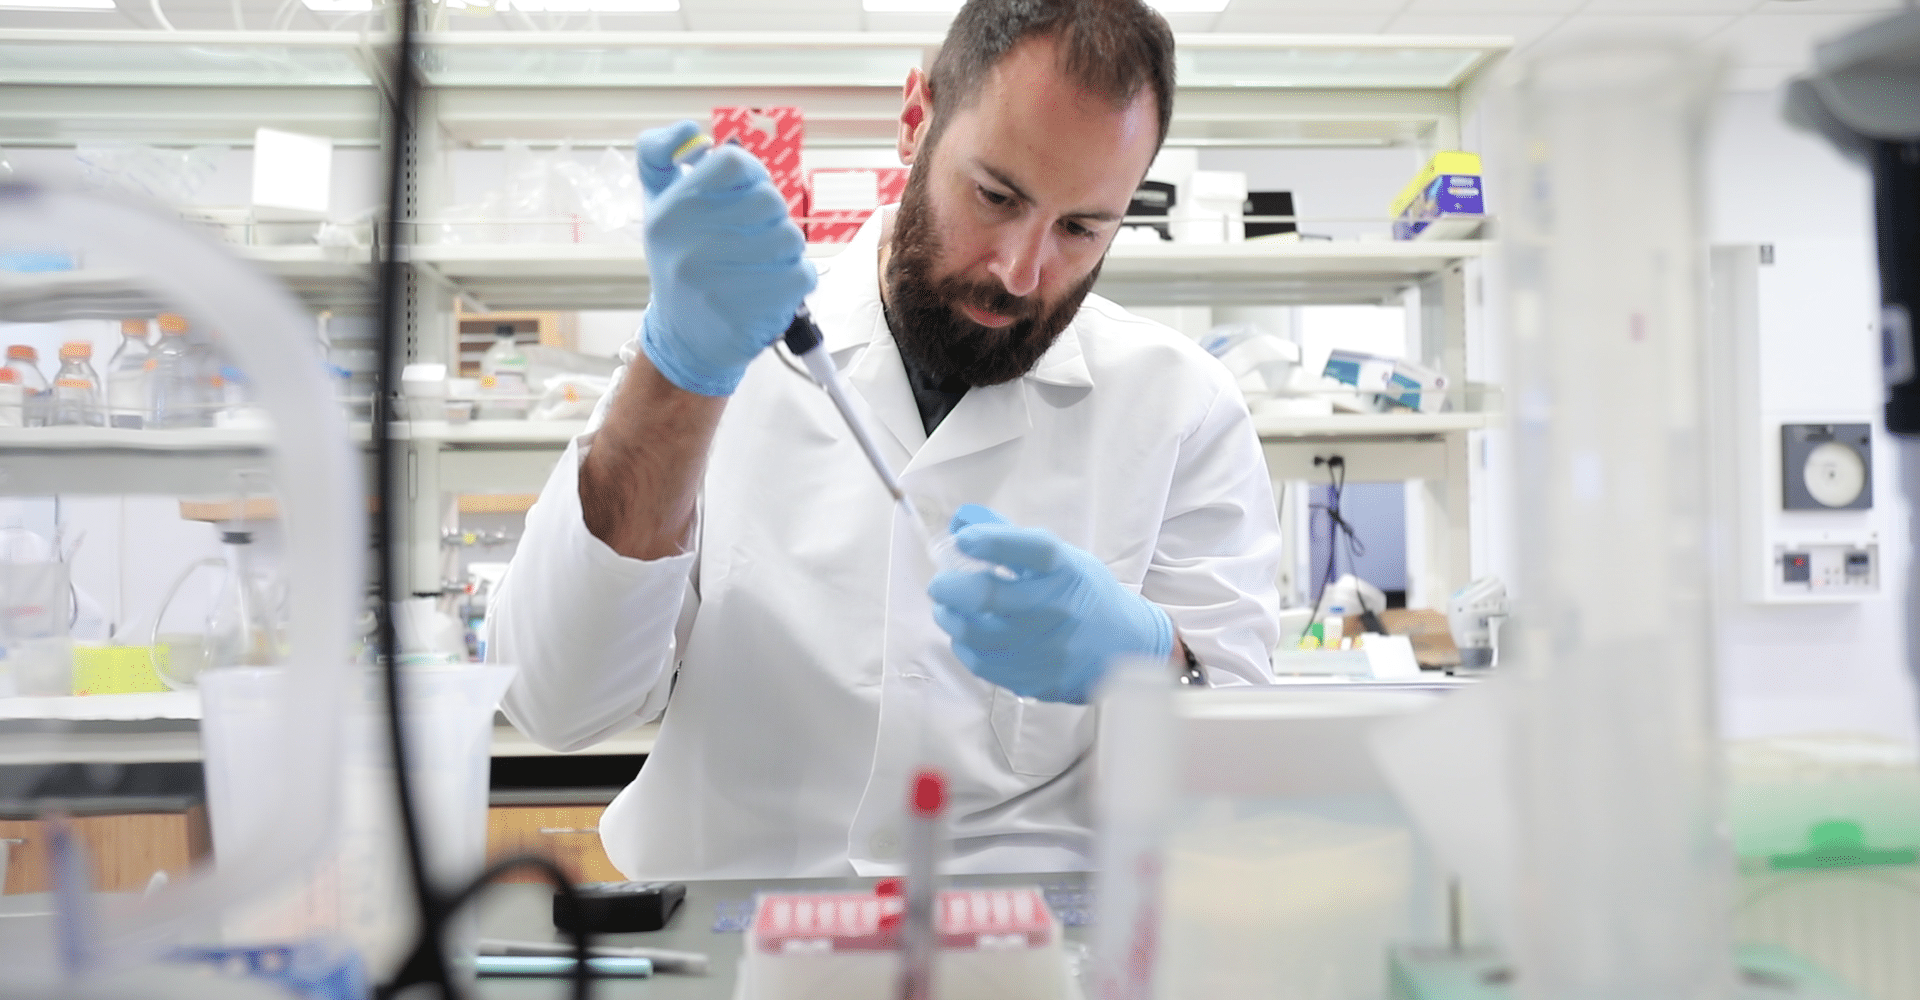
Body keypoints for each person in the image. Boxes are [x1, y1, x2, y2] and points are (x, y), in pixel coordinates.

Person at [488, 0, 1282, 881]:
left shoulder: (1181, 407)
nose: (1021, 270)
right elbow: (553, 703)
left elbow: (1247, 781)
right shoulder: (721, 345)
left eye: (1080, 229)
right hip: (730, 926)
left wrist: (1152, 661)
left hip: (1027, 940)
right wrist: (677, 375)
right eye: (996, 195)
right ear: (916, 120)